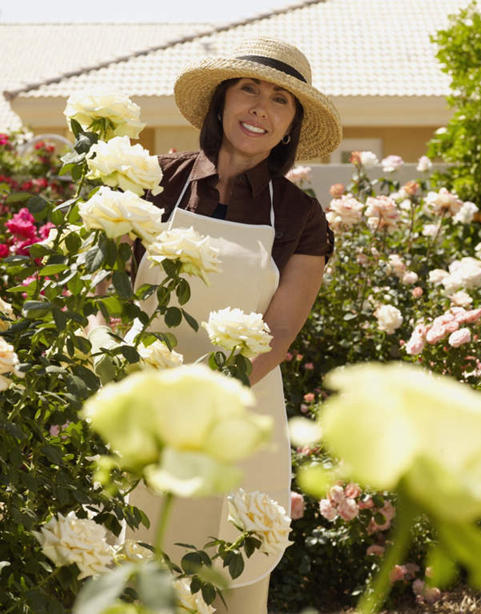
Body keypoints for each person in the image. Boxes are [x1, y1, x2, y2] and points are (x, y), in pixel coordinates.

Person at [128, 37, 342, 613]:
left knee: (225, 567)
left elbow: (279, 331)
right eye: (248, 88)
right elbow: (106, 287)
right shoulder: (157, 182)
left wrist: (202, 404)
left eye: (280, 100)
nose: (260, 108)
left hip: (238, 411)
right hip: (136, 402)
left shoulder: (300, 215)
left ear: (291, 123)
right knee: (126, 563)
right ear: (221, 101)